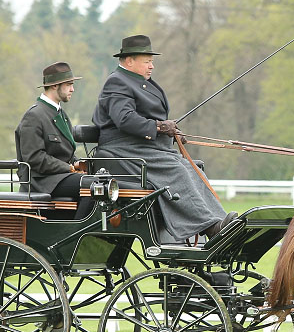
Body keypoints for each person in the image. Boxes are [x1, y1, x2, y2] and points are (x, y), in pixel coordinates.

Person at [92, 34, 235, 243]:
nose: (151, 66)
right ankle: (210, 227)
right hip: (123, 149)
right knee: (176, 170)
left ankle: (220, 222)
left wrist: (170, 131)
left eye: (152, 61)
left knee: (191, 167)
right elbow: (125, 119)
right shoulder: (117, 82)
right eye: (147, 61)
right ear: (130, 60)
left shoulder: (139, 82)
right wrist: (159, 126)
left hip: (148, 147)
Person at [15, 62, 93, 219]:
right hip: (41, 181)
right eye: (69, 85)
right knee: (94, 186)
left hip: (60, 178)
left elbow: (67, 153)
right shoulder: (34, 116)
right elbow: (34, 158)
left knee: (101, 181)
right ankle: (78, 236)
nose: (73, 89)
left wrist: (84, 166)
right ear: (55, 86)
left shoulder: (61, 114)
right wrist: (69, 168)